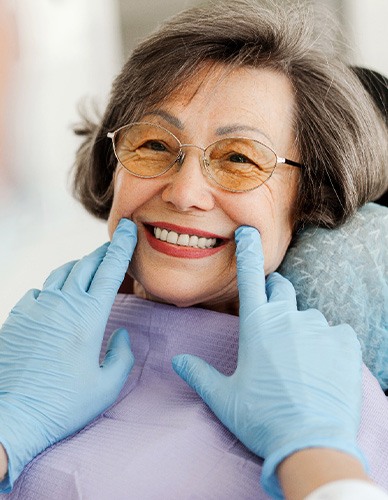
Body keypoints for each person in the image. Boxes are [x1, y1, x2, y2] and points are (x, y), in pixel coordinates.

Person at [0, 0, 387, 498]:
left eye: (239, 158)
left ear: (310, 199)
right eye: (154, 145)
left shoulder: (334, 405)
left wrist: (312, 454)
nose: (183, 193)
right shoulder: (23, 362)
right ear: (111, 165)